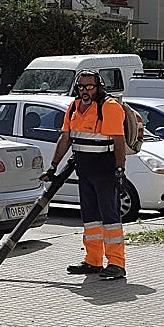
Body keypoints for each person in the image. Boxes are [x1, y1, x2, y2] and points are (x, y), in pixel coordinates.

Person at [43, 70, 128, 280]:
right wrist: (53, 166)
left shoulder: (108, 107)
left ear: (98, 87)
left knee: (110, 219)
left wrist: (120, 169)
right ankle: (93, 261)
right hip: (84, 171)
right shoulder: (73, 107)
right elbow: (65, 138)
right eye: (81, 87)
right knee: (90, 219)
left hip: (105, 170)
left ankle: (117, 263)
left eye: (90, 87)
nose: (85, 91)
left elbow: (118, 140)